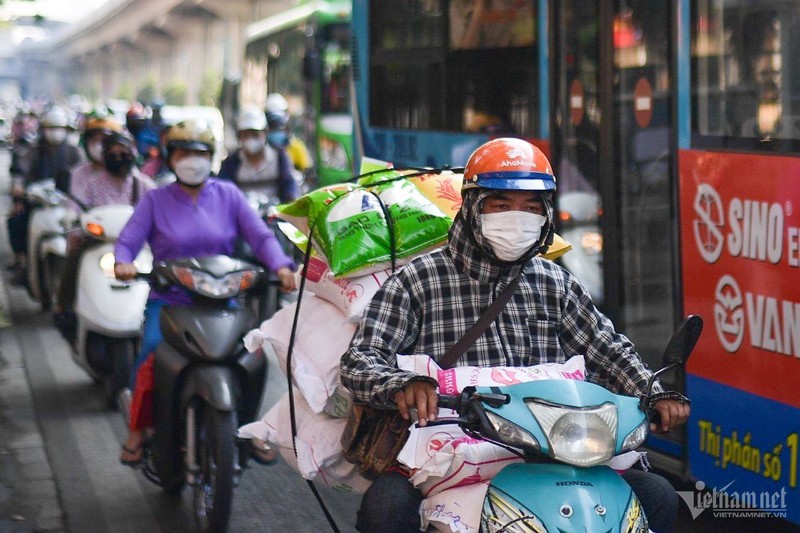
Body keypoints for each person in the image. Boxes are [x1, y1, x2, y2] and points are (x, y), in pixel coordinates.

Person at [340, 138, 690, 533]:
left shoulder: (554, 281)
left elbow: (604, 348)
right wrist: (403, 385)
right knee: (384, 508)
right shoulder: (418, 280)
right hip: (448, 453)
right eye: (501, 206)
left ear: (546, 215)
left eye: (531, 207)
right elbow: (360, 360)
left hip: (554, 451)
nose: (517, 218)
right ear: (473, 208)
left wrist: (653, 392)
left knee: (657, 494)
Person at [113, 119, 297, 466]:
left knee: (254, 355)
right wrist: (123, 261)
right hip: (170, 301)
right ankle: (137, 431)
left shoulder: (228, 195)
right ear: (171, 157)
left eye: (198, 153)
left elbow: (260, 236)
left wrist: (282, 267)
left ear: (211, 157)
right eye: (183, 152)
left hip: (223, 302)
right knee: (151, 352)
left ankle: (250, 426)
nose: (191, 159)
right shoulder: (156, 199)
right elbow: (128, 241)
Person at [53, 128, 156, 341]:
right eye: (113, 153)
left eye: (124, 152)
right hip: (97, 242)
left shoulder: (144, 185)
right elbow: (75, 208)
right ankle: (63, 306)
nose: (119, 157)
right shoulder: (92, 185)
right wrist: (72, 221)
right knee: (75, 256)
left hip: (137, 247)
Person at [7, 106, 83, 285]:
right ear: (43, 129)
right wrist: (18, 191)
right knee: (16, 220)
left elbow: (83, 175)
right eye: (51, 127)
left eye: (59, 128)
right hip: (37, 202)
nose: (55, 132)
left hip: (67, 203)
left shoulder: (74, 152)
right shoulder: (33, 150)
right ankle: (23, 261)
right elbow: (20, 172)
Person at [217, 104, 300, 202]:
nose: (251, 139)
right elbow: (222, 191)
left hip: (273, 214)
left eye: (255, 134)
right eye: (246, 135)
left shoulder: (279, 157)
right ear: (239, 137)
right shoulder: (232, 162)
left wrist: (290, 201)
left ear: (265, 133)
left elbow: (289, 185)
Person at [264, 93, 314, 181]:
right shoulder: (261, 150)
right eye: (272, 127)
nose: (276, 131)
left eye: (280, 128)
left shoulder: (296, 146)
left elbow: (308, 170)